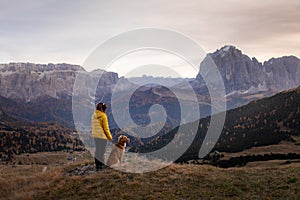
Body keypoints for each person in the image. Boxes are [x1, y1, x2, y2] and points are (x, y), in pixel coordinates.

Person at [91, 102, 113, 171]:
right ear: (103, 109)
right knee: (102, 151)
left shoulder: (93, 115)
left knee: (97, 150)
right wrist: (110, 137)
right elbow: (106, 129)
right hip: (102, 136)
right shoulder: (103, 116)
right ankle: (101, 165)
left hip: (95, 136)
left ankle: (97, 166)